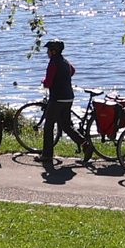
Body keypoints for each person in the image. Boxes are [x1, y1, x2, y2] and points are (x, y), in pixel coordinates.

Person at [38, 39, 92, 169]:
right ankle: (85, 145)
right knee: (66, 126)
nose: (47, 53)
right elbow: (72, 71)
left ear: (53, 51)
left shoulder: (53, 63)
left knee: (48, 126)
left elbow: (48, 82)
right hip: (68, 98)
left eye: (48, 50)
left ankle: (47, 155)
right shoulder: (65, 61)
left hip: (57, 99)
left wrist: (43, 81)